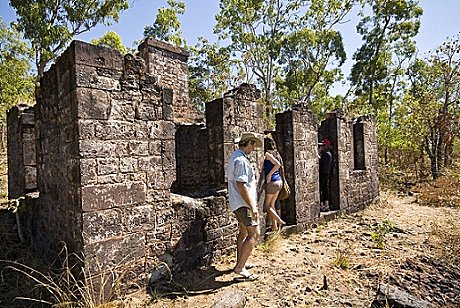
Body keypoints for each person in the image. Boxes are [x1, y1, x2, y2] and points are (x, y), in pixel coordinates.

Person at [226, 132, 262, 281]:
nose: (254, 148)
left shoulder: (236, 157)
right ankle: (240, 268)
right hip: (243, 203)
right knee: (254, 233)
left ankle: (241, 262)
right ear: (248, 143)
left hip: (238, 202)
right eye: (253, 144)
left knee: (243, 232)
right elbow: (241, 185)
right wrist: (252, 206)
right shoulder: (241, 160)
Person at [263, 137, 285, 231]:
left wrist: (269, 174)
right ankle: (274, 226)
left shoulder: (267, 154)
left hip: (273, 182)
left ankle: (279, 220)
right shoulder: (276, 153)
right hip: (279, 181)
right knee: (272, 205)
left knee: (266, 206)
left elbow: (277, 165)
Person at [319, 139, 333, 211]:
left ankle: (321, 205)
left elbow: (319, 161)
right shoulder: (329, 154)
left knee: (320, 189)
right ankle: (326, 205)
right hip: (326, 173)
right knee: (325, 189)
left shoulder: (326, 154)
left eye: (323, 145)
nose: (322, 147)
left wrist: (318, 152)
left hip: (323, 173)